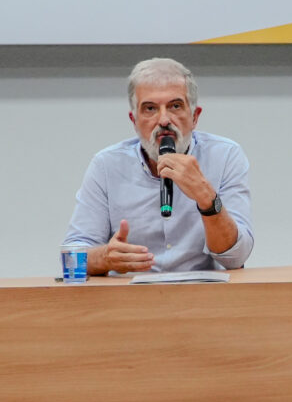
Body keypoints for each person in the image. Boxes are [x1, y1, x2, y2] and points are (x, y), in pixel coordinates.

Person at [64, 57, 253, 275]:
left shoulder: (225, 156)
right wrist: (105, 258)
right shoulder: (106, 165)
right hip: (130, 294)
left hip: (202, 292)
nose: (164, 120)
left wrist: (208, 200)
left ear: (195, 116)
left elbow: (236, 258)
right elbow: (70, 260)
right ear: (134, 121)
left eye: (175, 106)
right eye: (150, 108)